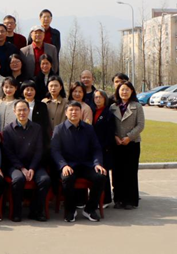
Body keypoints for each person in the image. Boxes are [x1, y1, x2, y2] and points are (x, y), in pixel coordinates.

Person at [51, 101, 107, 222]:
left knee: (100, 176)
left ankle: (90, 209)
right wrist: (63, 165)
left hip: (86, 165)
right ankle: (70, 210)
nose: (74, 112)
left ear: (81, 112)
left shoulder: (89, 128)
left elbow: (96, 148)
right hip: (69, 165)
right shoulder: (59, 129)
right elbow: (55, 151)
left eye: (77, 110)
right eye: (71, 110)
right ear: (66, 113)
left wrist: (97, 163)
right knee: (67, 178)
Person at [2, 100, 50, 222]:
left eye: (24, 110)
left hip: (34, 165)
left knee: (44, 180)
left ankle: (36, 211)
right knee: (18, 179)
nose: (22, 112)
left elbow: (39, 150)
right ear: (14, 111)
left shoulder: (37, 128)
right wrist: (21, 168)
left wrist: (32, 168)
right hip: (15, 166)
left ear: (29, 111)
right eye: (19, 110)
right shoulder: (8, 129)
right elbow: (8, 153)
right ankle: (16, 212)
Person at [110, 81, 145, 210]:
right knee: (117, 172)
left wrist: (129, 137)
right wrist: (115, 136)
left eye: (127, 90)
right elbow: (110, 125)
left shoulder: (137, 106)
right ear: (118, 91)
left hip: (132, 144)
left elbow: (140, 125)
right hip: (117, 144)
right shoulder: (113, 107)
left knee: (130, 172)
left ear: (131, 91)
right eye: (122, 90)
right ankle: (118, 199)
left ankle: (130, 200)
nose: (124, 92)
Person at [93, 90, 115, 207]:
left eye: (100, 97)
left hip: (104, 148)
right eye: (96, 97)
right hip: (93, 148)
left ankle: (106, 199)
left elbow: (110, 133)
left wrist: (105, 146)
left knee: (104, 174)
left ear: (105, 99)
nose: (98, 99)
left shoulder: (108, 114)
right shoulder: (92, 111)